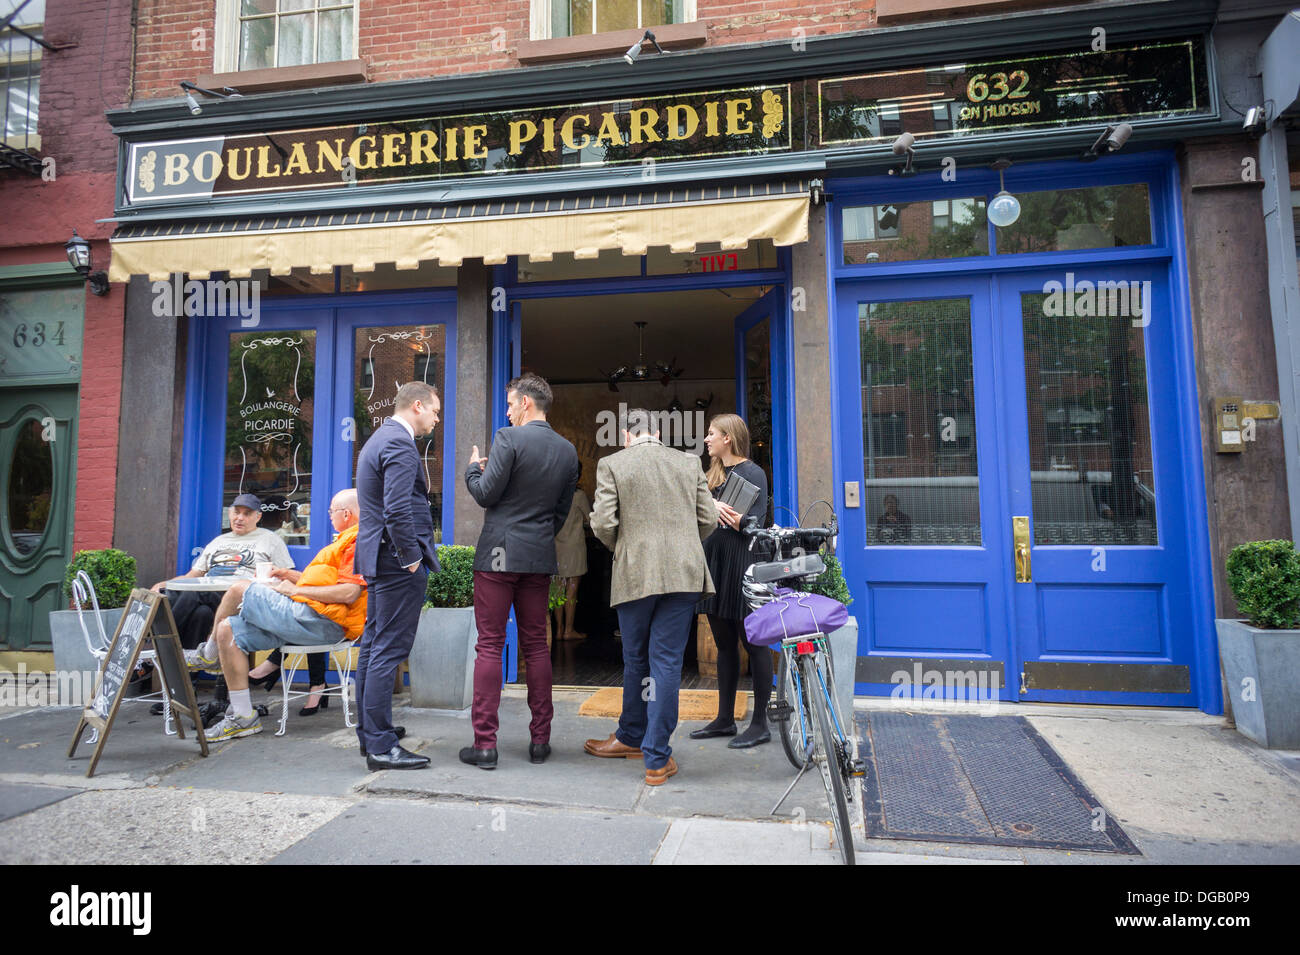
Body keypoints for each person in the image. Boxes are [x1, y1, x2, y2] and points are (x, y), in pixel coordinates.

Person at [585, 408, 717, 786]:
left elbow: (602, 524)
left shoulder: (613, 464)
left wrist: (626, 548)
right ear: (657, 432)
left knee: (635, 660)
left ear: (626, 435)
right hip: (683, 574)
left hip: (635, 574)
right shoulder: (688, 462)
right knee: (666, 664)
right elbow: (707, 520)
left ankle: (631, 736)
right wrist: (682, 547)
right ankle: (655, 757)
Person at [461, 373, 578, 769]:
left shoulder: (508, 439)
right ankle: (540, 741)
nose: (507, 411)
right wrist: (539, 535)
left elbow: (486, 494)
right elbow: (561, 512)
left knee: (491, 644)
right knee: (537, 646)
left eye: (511, 404)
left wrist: (472, 471)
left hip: (498, 553)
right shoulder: (567, 451)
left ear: (526, 403)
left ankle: (485, 745)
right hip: (537, 556)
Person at [199, 489, 367, 741]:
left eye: (332, 511)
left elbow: (349, 593)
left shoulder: (357, 542)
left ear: (346, 514)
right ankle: (243, 717)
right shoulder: (344, 540)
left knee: (238, 589)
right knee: (227, 629)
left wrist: (295, 589)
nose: (329, 515)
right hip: (314, 616)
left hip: (324, 622)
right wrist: (288, 575)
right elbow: (324, 586)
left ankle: (208, 656)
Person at [353, 381, 441, 770]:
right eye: (435, 411)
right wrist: (410, 558)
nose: (437, 419)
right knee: (387, 649)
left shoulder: (378, 438)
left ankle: (372, 734)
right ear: (417, 405)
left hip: (378, 558)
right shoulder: (400, 443)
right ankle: (380, 747)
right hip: (395, 562)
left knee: (374, 646)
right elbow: (396, 509)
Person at [691, 414, 772, 748]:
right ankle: (725, 719)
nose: (706, 439)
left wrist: (729, 516)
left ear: (728, 438)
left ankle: (760, 723)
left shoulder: (753, 472)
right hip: (715, 562)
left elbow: (753, 523)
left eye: (712, 434)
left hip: (742, 563)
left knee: (754, 644)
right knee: (724, 644)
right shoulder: (712, 473)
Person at [151, 493, 292, 650]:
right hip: (207, 595)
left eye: (247, 514)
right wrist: (163, 584)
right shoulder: (218, 541)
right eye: (236, 512)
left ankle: (156, 642)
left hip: (239, 596)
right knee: (201, 613)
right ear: (229, 513)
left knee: (191, 592)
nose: (240, 518)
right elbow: (192, 576)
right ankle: (187, 670)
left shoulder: (270, 539)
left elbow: (285, 575)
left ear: (258, 517)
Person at [553, 462, 591, 641]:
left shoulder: (553, 494)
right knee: (571, 591)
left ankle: (558, 629)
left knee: (557, 591)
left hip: (555, 546)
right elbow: (590, 519)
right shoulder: (579, 495)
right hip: (574, 546)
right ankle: (569, 630)